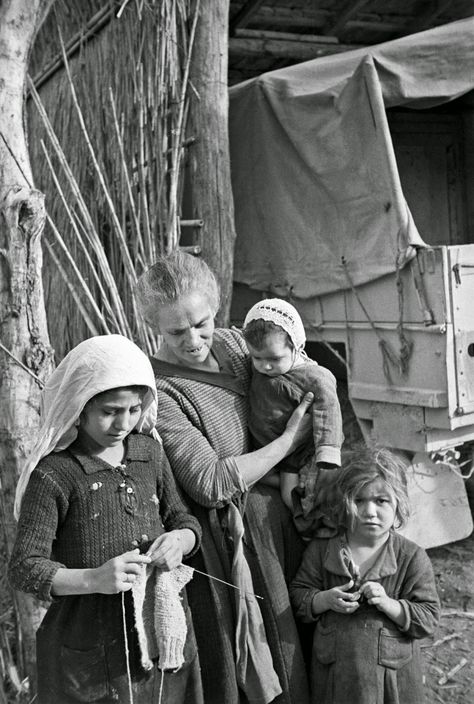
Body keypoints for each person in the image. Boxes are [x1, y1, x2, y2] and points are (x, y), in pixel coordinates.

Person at [136, 250, 312, 704]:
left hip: (288, 512)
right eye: (176, 330)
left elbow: (303, 377)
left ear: (216, 308)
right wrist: (289, 442)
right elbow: (210, 482)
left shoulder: (239, 345)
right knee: (273, 651)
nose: (193, 339)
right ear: (153, 325)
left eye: (202, 322)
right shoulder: (161, 390)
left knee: (311, 629)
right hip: (240, 538)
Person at [8, 334, 203, 704]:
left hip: (158, 619)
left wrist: (181, 541)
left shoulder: (149, 452)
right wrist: (95, 578)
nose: (123, 422)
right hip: (87, 637)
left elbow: (182, 518)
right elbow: (24, 568)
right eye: (109, 411)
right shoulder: (55, 475)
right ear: (78, 409)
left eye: (133, 409)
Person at [289, 445, 440, 704]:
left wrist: (389, 605)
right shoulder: (323, 550)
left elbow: (428, 617)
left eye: (381, 501)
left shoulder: (411, 557)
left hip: (391, 682)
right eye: (359, 500)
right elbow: (298, 596)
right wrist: (325, 600)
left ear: (399, 505)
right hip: (336, 677)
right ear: (344, 503)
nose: (369, 511)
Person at [242, 299, 343, 521]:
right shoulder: (259, 367)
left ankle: (310, 527)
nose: (265, 366)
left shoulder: (314, 377)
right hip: (263, 449)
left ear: (296, 347)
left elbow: (329, 414)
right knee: (252, 478)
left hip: (293, 455)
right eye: (257, 357)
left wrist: (327, 456)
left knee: (291, 497)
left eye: (274, 359)